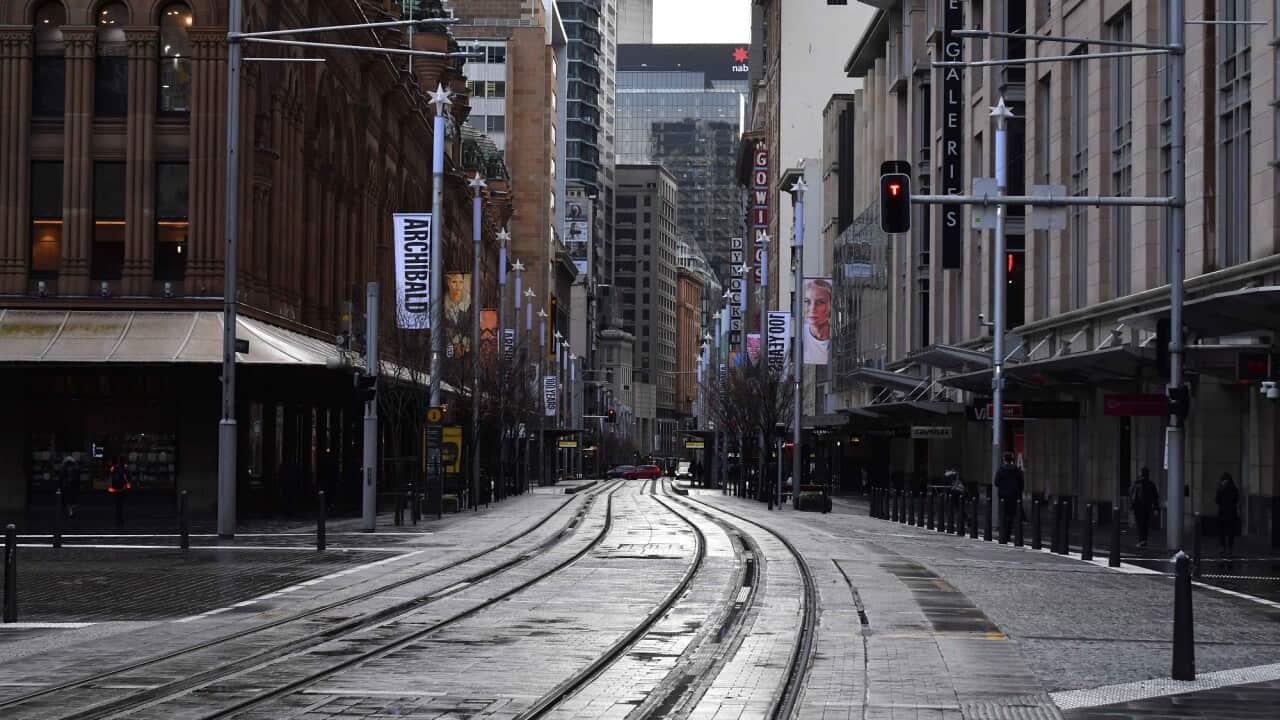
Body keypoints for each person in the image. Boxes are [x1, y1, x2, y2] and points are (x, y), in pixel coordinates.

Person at [994, 452, 1024, 544]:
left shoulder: (1001, 470)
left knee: (1003, 514)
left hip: (1003, 496)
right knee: (1011, 516)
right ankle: (1008, 534)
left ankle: (1003, 534)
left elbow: (996, 482)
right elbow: (1021, 483)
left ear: (1004, 459)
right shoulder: (1017, 470)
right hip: (1013, 496)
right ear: (1012, 460)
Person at [802, 279, 833, 365]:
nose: (812, 309)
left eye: (820, 302)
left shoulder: (839, 336)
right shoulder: (800, 334)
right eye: (807, 301)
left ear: (831, 305)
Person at [1130, 467, 1159, 547]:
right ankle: (1144, 540)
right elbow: (1155, 497)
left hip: (1139, 507)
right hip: (1147, 507)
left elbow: (1133, 496)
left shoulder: (1137, 483)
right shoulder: (1151, 484)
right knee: (1145, 524)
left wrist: (1132, 506)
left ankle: (1142, 540)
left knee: (1140, 524)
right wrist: (1156, 508)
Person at [1215, 472, 1241, 557]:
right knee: (1231, 532)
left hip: (1222, 513)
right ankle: (1230, 549)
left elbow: (1217, 501)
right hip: (1232, 513)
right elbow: (1236, 500)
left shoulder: (1220, 488)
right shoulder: (1234, 488)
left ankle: (1222, 547)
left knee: (1221, 531)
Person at [58, 454, 80, 519]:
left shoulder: (64, 466)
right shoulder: (74, 466)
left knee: (68, 500)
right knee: (71, 500)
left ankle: (69, 512)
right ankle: (70, 512)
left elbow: (61, 477)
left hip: (67, 485)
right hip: (71, 485)